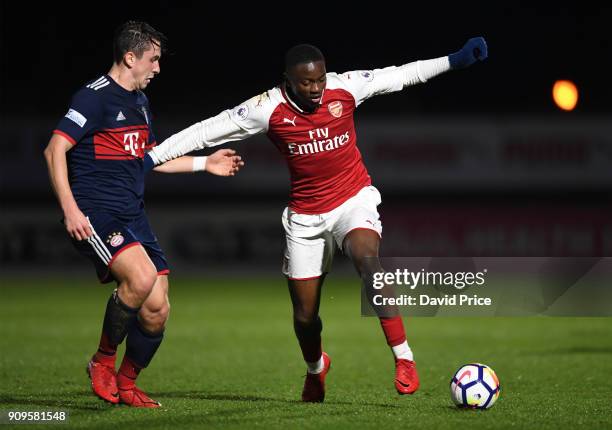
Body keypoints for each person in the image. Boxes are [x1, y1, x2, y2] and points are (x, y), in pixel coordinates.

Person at [147, 37, 488, 402]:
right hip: (306, 218)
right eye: (306, 82)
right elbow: (207, 129)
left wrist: (454, 60)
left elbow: (401, 75)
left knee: (368, 261)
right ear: (288, 80)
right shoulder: (267, 108)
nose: (315, 89)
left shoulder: (345, 88)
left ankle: (404, 357)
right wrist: (152, 157)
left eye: (320, 79)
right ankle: (316, 368)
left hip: (353, 200)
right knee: (306, 317)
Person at [43, 21, 243, 408]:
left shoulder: (140, 102)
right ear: (129, 57)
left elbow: (149, 159)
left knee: (157, 309)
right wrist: (70, 209)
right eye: (153, 60)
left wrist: (206, 164)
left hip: (133, 215)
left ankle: (128, 382)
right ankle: (102, 361)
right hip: (95, 213)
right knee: (142, 276)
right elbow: (54, 150)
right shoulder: (93, 97)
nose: (157, 68)